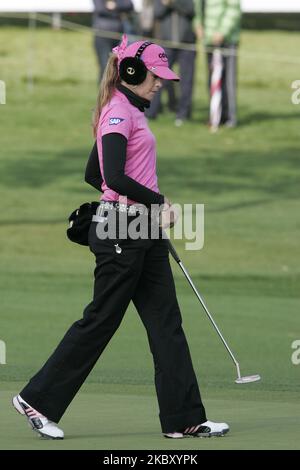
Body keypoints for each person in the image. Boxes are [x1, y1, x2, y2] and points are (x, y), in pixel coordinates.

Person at [12, 35, 229, 440]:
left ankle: (185, 419)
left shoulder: (131, 111)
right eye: (155, 75)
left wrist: (141, 209)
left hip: (138, 228)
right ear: (131, 72)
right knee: (101, 320)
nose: (160, 82)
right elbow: (112, 177)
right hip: (120, 233)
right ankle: (35, 400)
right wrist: (156, 201)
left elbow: (94, 176)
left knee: (166, 324)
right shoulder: (117, 112)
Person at [146, 0, 197, 126]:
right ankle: (151, 112)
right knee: (157, 78)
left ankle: (183, 114)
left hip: (186, 43)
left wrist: (172, 2)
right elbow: (157, 12)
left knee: (186, 80)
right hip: (166, 43)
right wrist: (165, 4)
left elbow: (191, 9)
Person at [195, 0, 241, 127]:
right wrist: (197, 24)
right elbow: (199, 8)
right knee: (212, 81)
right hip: (209, 41)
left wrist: (222, 32)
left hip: (227, 41)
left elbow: (233, 10)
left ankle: (230, 118)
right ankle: (216, 116)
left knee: (228, 81)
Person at [93, 0, 134, 81]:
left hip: (118, 35)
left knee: (118, 67)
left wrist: (114, 5)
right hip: (102, 35)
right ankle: (104, 92)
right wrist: (119, 8)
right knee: (105, 67)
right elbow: (100, 8)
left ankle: (116, 92)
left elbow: (129, 5)